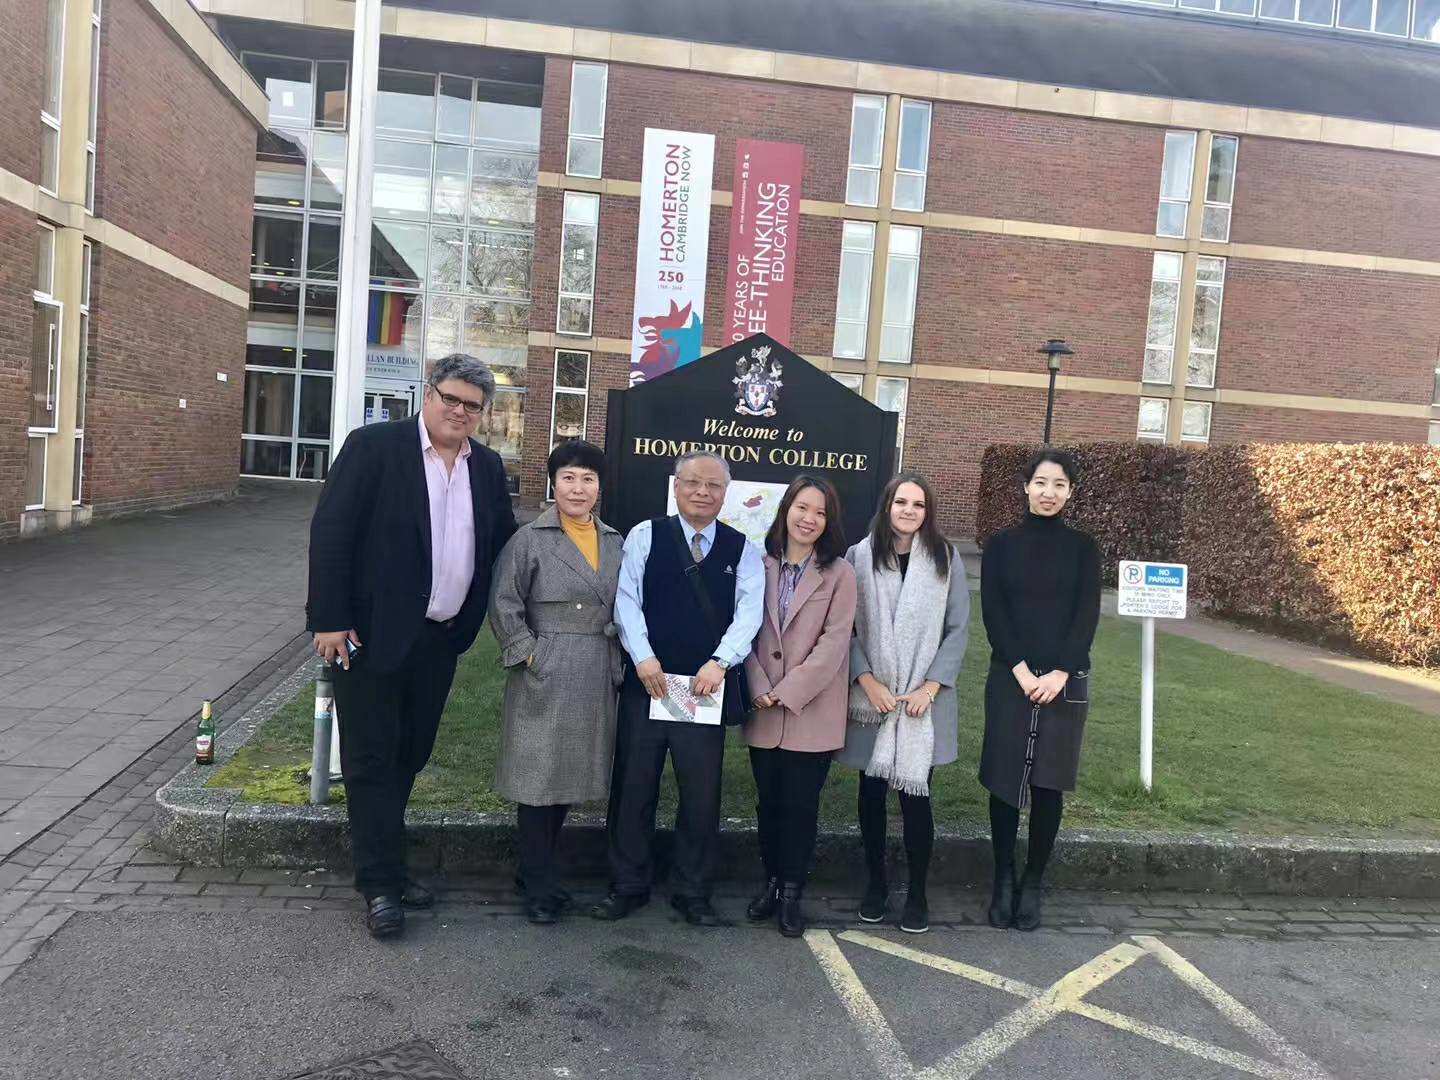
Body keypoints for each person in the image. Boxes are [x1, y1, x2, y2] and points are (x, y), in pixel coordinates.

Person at [305, 353, 517, 939]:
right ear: (429, 393)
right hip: (369, 636)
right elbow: (332, 531)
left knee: (409, 755)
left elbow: (501, 543)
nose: (460, 412)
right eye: (451, 398)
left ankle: (390, 868)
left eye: (472, 405)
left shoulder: (486, 467)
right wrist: (329, 618)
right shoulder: (374, 448)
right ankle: (379, 886)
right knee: (372, 759)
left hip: (439, 639)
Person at [594, 450, 765, 926]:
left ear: (725, 493)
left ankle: (692, 890)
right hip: (648, 684)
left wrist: (721, 662)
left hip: (703, 690)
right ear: (676, 485)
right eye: (693, 482)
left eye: (713, 485)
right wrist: (642, 658)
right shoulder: (646, 536)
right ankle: (627, 884)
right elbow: (626, 599)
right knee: (633, 786)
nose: (702, 492)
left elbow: (749, 612)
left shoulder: (742, 549)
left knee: (700, 794)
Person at [489, 439, 624, 925]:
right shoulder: (530, 538)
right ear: (553, 483)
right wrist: (529, 653)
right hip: (546, 667)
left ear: (599, 487)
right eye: (568, 477)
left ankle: (534, 872)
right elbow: (504, 601)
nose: (578, 488)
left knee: (569, 773)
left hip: (596, 666)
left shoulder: (614, 541)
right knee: (537, 776)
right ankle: (539, 883)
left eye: (588, 479)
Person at [838, 472, 970, 935]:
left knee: (916, 800)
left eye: (918, 504)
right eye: (901, 502)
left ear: (927, 512)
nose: (909, 511)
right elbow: (845, 628)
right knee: (871, 796)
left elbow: (958, 629)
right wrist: (866, 679)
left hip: (921, 702)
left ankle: (917, 893)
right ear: (887, 506)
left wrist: (930, 687)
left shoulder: (945, 558)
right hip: (872, 699)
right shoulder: (858, 556)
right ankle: (875, 885)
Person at [979, 449, 1100, 932]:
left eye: (1059, 484)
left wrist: (1060, 672)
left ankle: (1033, 881)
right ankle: (1003, 878)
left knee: (1049, 783)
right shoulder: (1001, 545)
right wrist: (1024, 673)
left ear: (1070, 492)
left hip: (1063, 682)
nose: (1049, 492)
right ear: (1026, 486)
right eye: (1041, 483)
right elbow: (995, 613)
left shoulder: (1084, 548)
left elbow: (1086, 615)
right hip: (1011, 678)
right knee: (1005, 781)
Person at [743, 476, 857, 938]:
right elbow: (743, 628)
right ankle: (770, 883)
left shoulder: (840, 574)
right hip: (762, 706)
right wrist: (758, 684)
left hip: (811, 709)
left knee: (800, 806)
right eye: (802, 508)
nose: (809, 519)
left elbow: (835, 643)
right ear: (786, 509)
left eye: (820, 512)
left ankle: (792, 892)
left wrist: (787, 689)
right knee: (768, 803)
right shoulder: (757, 563)